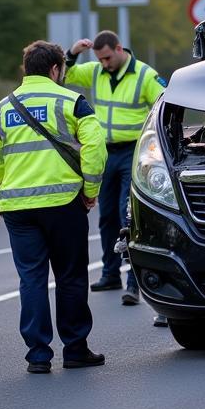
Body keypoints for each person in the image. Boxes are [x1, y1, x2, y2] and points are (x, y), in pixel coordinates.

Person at [0, 41, 107, 373]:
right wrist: (90, 189)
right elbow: (94, 147)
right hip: (62, 203)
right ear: (56, 69)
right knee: (70, 276)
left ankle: (38, 355)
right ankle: (74, 349)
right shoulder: (73, 102)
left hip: (17, 206)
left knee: (31, 279)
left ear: (25, 69)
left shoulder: (2, 108)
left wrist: (6, 185)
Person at [64, 31, 166, 310]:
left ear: (119, 48)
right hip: (106, 153)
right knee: (106, 215)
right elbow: (64, 76)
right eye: (99, 59)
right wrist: (72, 53)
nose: (104, 63)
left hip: (134, 153)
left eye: (107, 57)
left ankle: (134, 281)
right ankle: (110, 273)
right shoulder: (96, 71)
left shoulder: (145, 75)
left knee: (127, 215)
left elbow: (165, 104)